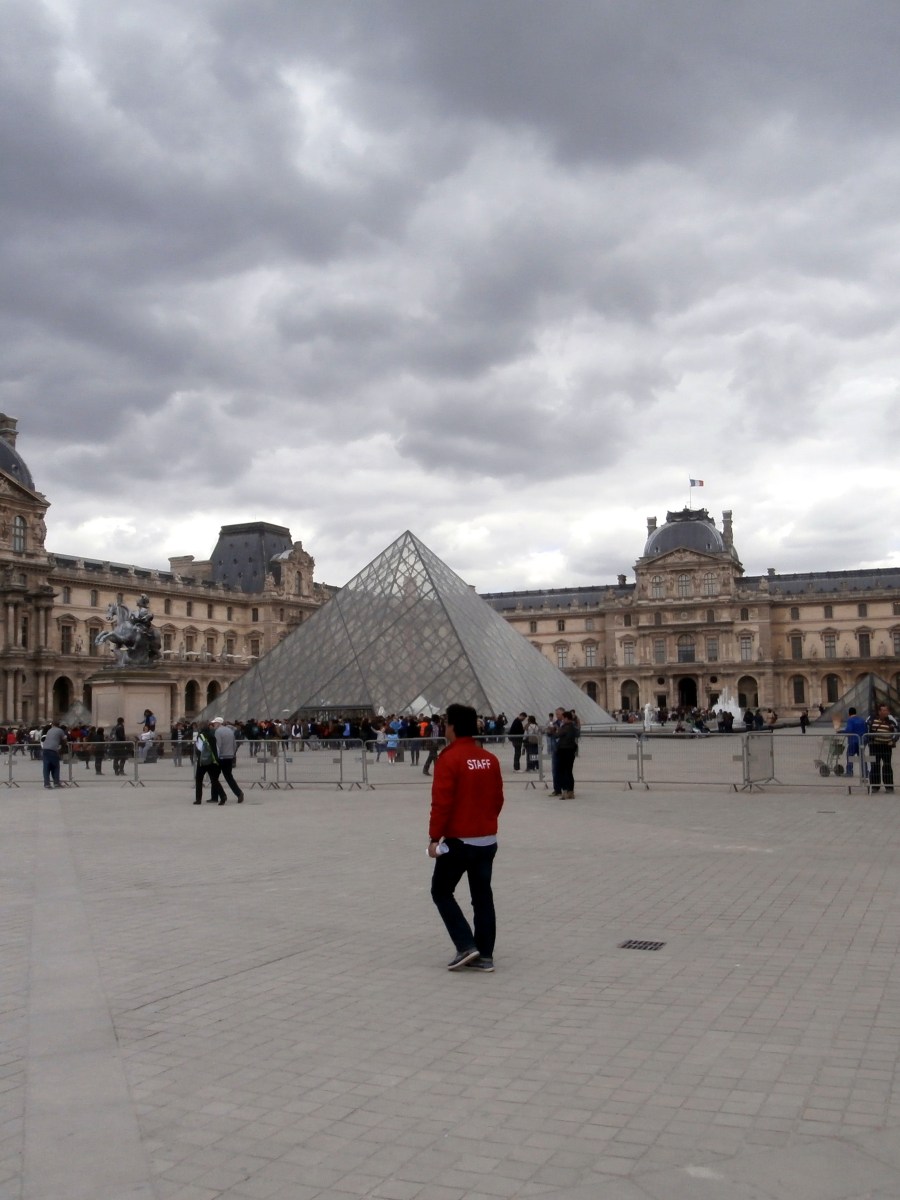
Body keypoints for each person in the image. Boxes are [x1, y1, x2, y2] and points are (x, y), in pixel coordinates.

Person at [428, 703, 504, 972]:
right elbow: (498, 799)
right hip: (487, 839)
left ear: (452, 726)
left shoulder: (449, 759)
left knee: (441, 891)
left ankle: (465, 945)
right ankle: (485, 955)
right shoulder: (489, 758)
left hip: (460, 840)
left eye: (445, 722)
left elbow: (441, 804)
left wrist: (434, 838)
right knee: (482, 898)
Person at [867, 703, 899, 793]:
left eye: (886, 710)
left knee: (887, 766)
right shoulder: (871, 719)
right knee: (874, 766)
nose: (886, 712)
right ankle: (874, 786)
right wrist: (868, 740)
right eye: (884, 710)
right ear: (879, 711)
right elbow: (866, 729)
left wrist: (893, 740)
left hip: (886, 747)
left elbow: (897, 731)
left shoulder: (891, 720)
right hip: (874, 746)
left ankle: (889, 787)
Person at [211, 717, 244, 803]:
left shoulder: (218, 732)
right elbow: (234, 744)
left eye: (214, 723)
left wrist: (215, 757)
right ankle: (238, 793)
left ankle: (215, 796)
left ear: (218, 723)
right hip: (229, 756)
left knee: (214, 777)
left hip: (221, 757)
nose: (213, 725)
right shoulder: (230, 731)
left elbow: (218, 746)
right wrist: (232, 754)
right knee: (229, 777)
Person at [193, 721, 227, 805]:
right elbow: (216, 748)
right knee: (214, 780)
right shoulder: (212, 736)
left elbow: (200, 748)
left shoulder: (200, 736)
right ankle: (222, 795)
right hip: (212, 760)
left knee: (199, 779)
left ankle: (198, 799)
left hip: (203, 760)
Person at [554, 710, 579, 798]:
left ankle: (565, 791)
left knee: (563, 771)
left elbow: (557, 735)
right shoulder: (574, 726)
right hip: (571, 750)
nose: (563, 720)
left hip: (564, 750)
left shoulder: (566, 727)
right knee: (569, 771)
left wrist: (553, 730)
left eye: (563, 718)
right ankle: (570, 791)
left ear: (567, 718)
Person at [41, 720, 68, 788]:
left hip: (45, 749)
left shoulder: (49, 730)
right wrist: (63, 747)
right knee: (55, 767)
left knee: (46, 767)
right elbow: (64, 739)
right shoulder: (60, 730)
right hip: (53, 750)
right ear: (58, 725)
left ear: (52, 725)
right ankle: (56, 783)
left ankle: (46, 783)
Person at [844, 706, 868, 777]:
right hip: (861, 741)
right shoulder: (862, 720)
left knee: (849, 755)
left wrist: (841, 731)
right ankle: (865, 772)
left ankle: (849, 772)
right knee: (862, 756)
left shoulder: (850, 720)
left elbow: (849, 730)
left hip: (853, 741)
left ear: (849, 713)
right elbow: (866, 730)